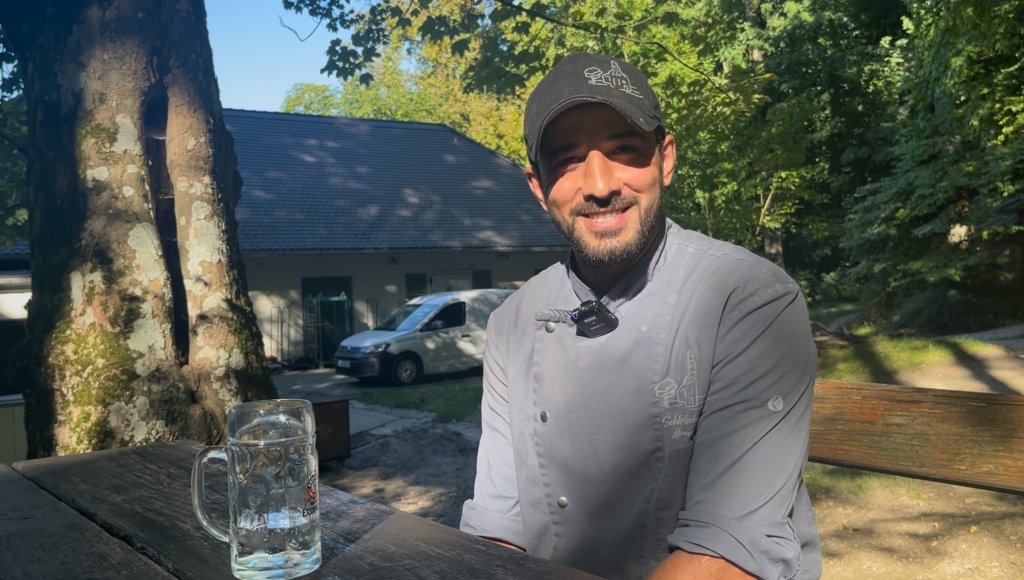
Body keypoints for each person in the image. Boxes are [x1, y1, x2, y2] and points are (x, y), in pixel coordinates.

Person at [459, 52, 821, 579]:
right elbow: (498, 528)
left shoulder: (749, 299)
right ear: (538, 188)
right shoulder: (511, 323)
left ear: (665, 159)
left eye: (624, 149)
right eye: (566, 160)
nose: (600, 184)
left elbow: (726, 556)